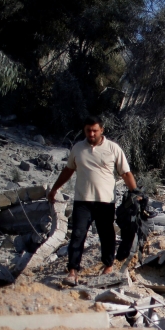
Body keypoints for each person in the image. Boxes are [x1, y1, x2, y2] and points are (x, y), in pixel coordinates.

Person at [47, 117, 137, 285]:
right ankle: (72, 271)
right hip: (83, 201)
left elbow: (125, 173)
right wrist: (55, 189)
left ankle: (108, 267)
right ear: (84, 130)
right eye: (88, 130)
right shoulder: (78, 148)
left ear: (102, 130)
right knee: (78, 235)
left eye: (95, 130)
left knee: (107, 235)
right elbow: (68, 171)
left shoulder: (113, 149)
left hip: (105, 201)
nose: (92, 133)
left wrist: (136, 194)